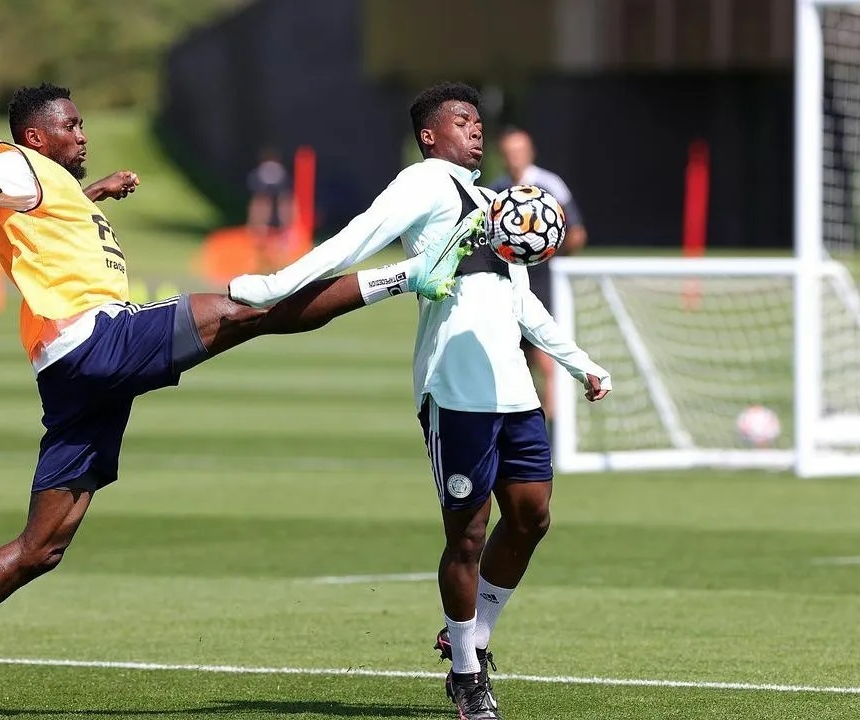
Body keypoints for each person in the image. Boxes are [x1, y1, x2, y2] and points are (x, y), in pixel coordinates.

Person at [0, 82, 482, 692]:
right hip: (94, 340)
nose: (82, 135)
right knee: (246, 310)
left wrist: (96, 192)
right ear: (35, 137)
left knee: (40, 547)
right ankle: (408, 274)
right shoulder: (19, 166)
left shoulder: (46, 184)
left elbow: (51, 211)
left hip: (70, 373)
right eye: (70, 126)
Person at [229, 82, 611, 720]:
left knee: (532, 517)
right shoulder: (425, 182)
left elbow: (522, 303)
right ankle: (466, 672)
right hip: (454, 389)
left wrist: (581, 363)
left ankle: (474, 634)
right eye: (462, 121)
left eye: (478, 122)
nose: (476, 130)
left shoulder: (499, 206)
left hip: (513, 391)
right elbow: (356, 240)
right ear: (430, 136)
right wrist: (276, 285)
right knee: (468, 535)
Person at [491, 127, 588, 423]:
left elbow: (577, 233)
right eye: (509, 153)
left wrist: (546, 255)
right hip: (509, 282)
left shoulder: (549, 185)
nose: (514, 158)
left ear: (530, 153)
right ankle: (528, 415)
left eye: (519, 151)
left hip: (545, 281)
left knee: (544, 352)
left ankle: (554, 422)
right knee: (516, 355)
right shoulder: (497, 190)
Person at [245, 146, 293, 265]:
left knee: (280, 202)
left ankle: (280, 236)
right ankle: (259, 236)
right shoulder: (265, 173)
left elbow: (284, 196)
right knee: (262, 203)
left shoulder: (277, 173)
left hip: (278, 216)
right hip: (264, 215)